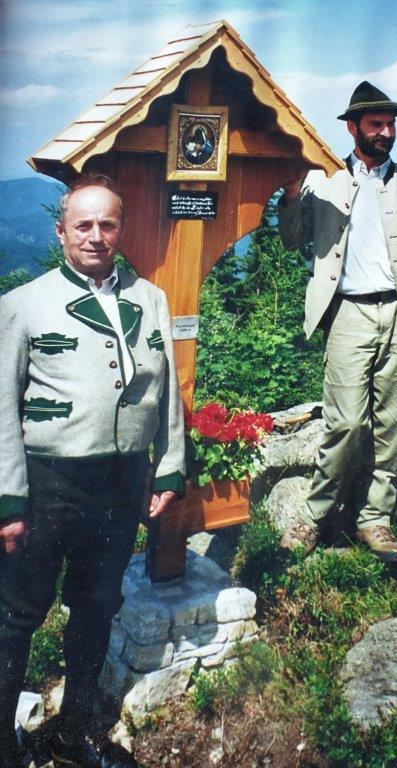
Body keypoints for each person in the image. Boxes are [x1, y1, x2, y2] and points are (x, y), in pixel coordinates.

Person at [0, 175, 186, 768]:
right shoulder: (22, 304)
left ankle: (73, 731)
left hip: (121, 482)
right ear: (60, 232)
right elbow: (1, 406)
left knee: (97, 604)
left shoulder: (150, 299)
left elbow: (168, 392)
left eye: (107, 224)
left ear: (121, 229)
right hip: (47, 481)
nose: (96, 236)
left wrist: (168, 469)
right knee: (18, 614)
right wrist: (8, 499)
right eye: (83, 225)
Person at [277, 81, 397, 562]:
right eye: (376, 124)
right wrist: (292, 191)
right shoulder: (323, 180)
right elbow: (291, 239)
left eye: (391, 124)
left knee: (392, 423)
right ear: (352, 128)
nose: (386, 132)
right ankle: (315, 515)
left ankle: (375, 519)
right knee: (348, 421)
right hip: (348, 311)